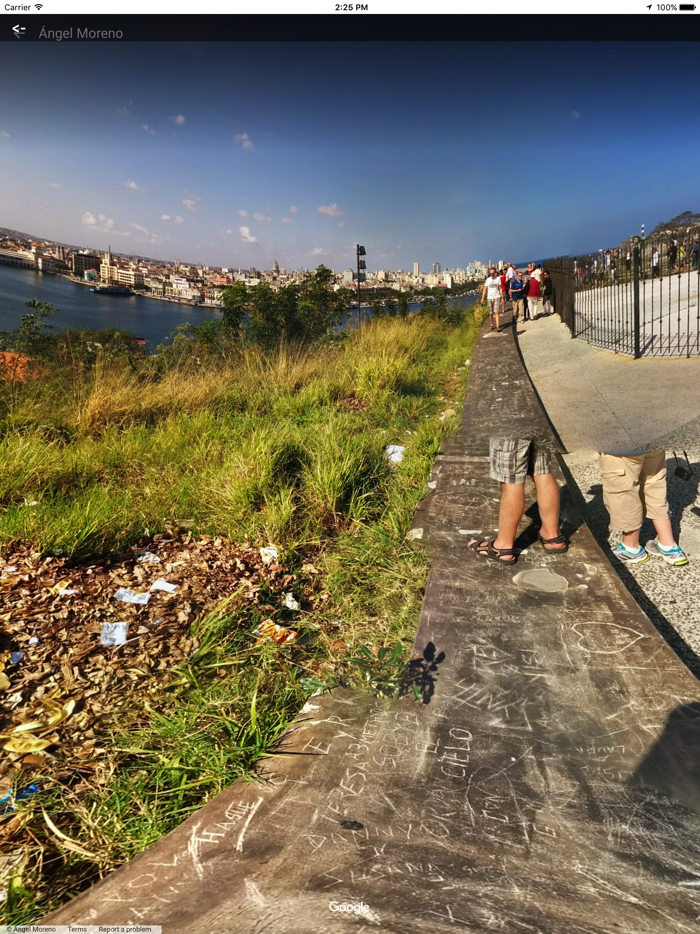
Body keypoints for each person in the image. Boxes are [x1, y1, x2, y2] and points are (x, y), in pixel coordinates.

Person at [469, 438, 568, 565]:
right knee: (542, 471)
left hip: (511, 423)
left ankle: (502, 546)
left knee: (511, 479)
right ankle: (552, 536)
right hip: (537, 421)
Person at [599, 447, 688, 566]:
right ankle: (669, 546)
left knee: (624, 492)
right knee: (654, 487)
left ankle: (631, 548)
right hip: (654, 439)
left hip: (620, 443)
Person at [481, 267, 503, 332]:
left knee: (497, 312)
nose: (491, 275)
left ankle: (498, 326)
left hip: (496, 296)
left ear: (495, 273)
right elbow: (485, 289)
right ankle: (491, 325)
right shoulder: (488, 280)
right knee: (490, 313)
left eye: (493, 273)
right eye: (490, 273)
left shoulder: (498, 279)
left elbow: (500, 288)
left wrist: (502, 297)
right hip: (489, 297)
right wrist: (482, 298)